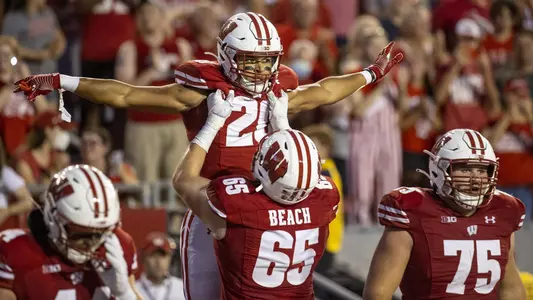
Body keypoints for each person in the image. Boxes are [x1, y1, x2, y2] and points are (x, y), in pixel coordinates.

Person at [14, 12, 401, 299]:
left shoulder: (277, 92)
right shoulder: (201, 91)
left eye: (267, 60)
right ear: (227, 55)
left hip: (266, 209)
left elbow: (325, 90)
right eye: (250, 59)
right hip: (213, 208)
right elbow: (127, 93)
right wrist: (62, 80)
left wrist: (370, 74)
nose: (260, 69)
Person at [173, 89, 340, 299]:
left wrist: (213, 123)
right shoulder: (326, 199)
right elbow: (298, 176)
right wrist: (282, 125)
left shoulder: (237, 207)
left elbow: (183, 180)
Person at [363, 128, 527, 300]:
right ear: (439, 169)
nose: (475, 179)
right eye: (464, 169)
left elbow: (510, 288)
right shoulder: (414, 211)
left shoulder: (502, 213)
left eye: (481, 170)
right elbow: (377, 294)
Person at [0, 164, 142, 300]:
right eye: (81, 234)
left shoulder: (120, 245)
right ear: (53, 218)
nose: (91, 243)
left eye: (101, 233)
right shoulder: (15, 252)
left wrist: (125, 294)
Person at [136, 232, 184, 300]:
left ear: (170, 258)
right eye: (153, 255)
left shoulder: (182, 289)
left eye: (163, 256)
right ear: (143, 258)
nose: (158, 262)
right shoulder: (133, 291)